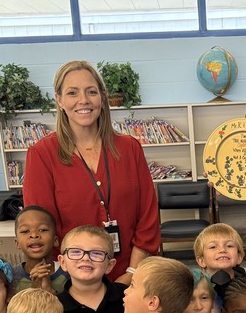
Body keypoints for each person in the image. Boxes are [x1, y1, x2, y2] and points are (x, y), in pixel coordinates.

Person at [23, 59, 159, 284]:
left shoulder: (130, 148)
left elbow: (148, 216)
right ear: (59, 100)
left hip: (132, 275)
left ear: (102, 98)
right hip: (73, 280)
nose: (83, 100)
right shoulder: (42, 155)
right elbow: (40, 227)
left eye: (91, 92)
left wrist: (131, 274)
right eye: (72, 93)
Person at [12, 205, 70, 293]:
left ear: (55, 240)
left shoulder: (69, 273)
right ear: (17, 243)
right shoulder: (11, 277)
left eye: (42, 230)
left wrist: (50, 291)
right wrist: (35, 291)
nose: (34, 235)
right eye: (25, 231)